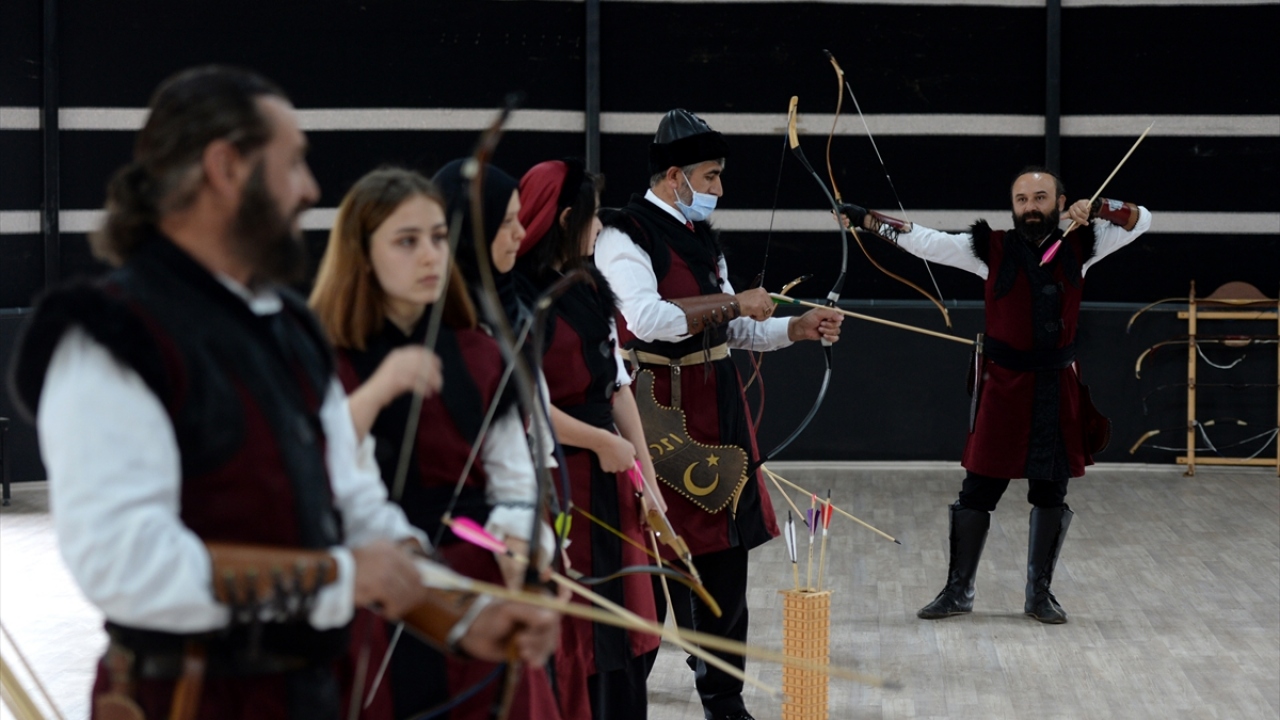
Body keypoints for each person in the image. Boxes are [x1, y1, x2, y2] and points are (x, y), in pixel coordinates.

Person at [5, 66, 557, 719]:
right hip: (184, 699)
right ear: (225, 167)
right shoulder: (108, 336)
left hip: (308, 693)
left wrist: (461, 615)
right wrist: (345, 578)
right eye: (293, 163)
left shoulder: (286, 326)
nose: (309, 189)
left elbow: (355, 506)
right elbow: (128, 566)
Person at [593, 109, 842, 720]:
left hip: (717, 408)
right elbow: (647, 319)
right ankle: (620, 703)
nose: (718, 190)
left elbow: (732, 327)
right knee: (650, 563)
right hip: (657, 416)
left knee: (723, 565)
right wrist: (735, 301)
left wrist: (796, 328)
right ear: (674, 175)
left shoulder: (702, 235)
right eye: (710, 176)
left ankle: (724, 702)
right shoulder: (623, 234)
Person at [840, 166, 1150, 624]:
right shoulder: (991, 248)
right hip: (1004, 386)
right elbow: (924, 240)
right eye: (1022, 199)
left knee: (1051, 491)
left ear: (1061, 204)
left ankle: (1039, 595)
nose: (1030, 207)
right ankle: (958, 591)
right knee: (978, 490)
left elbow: (1143, 220)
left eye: (1041, 198)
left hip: (1055, 384)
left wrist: (1102, 208)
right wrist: (867, 219)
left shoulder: (1085, 242)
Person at [309, 167, 562, 720]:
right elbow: (319, 474)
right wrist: (376, 392)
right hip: (380, 589)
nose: (430, 256)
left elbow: (516, 481)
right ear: (361, 252)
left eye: (439, 238)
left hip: (483, 587)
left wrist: (525, 547)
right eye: (407, 241)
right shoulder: (319, 358)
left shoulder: (480, 353)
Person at [515, 159, 668, 720]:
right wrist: (602, 445)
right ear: (563, 220)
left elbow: (619, 389)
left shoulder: (590, 286)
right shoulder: (521, 301)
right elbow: (523, 410)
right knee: (578, 637)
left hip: (613, 476)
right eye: (591, 215)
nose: (600, 226)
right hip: (560, 483)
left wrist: (649, 486)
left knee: (628, 633)